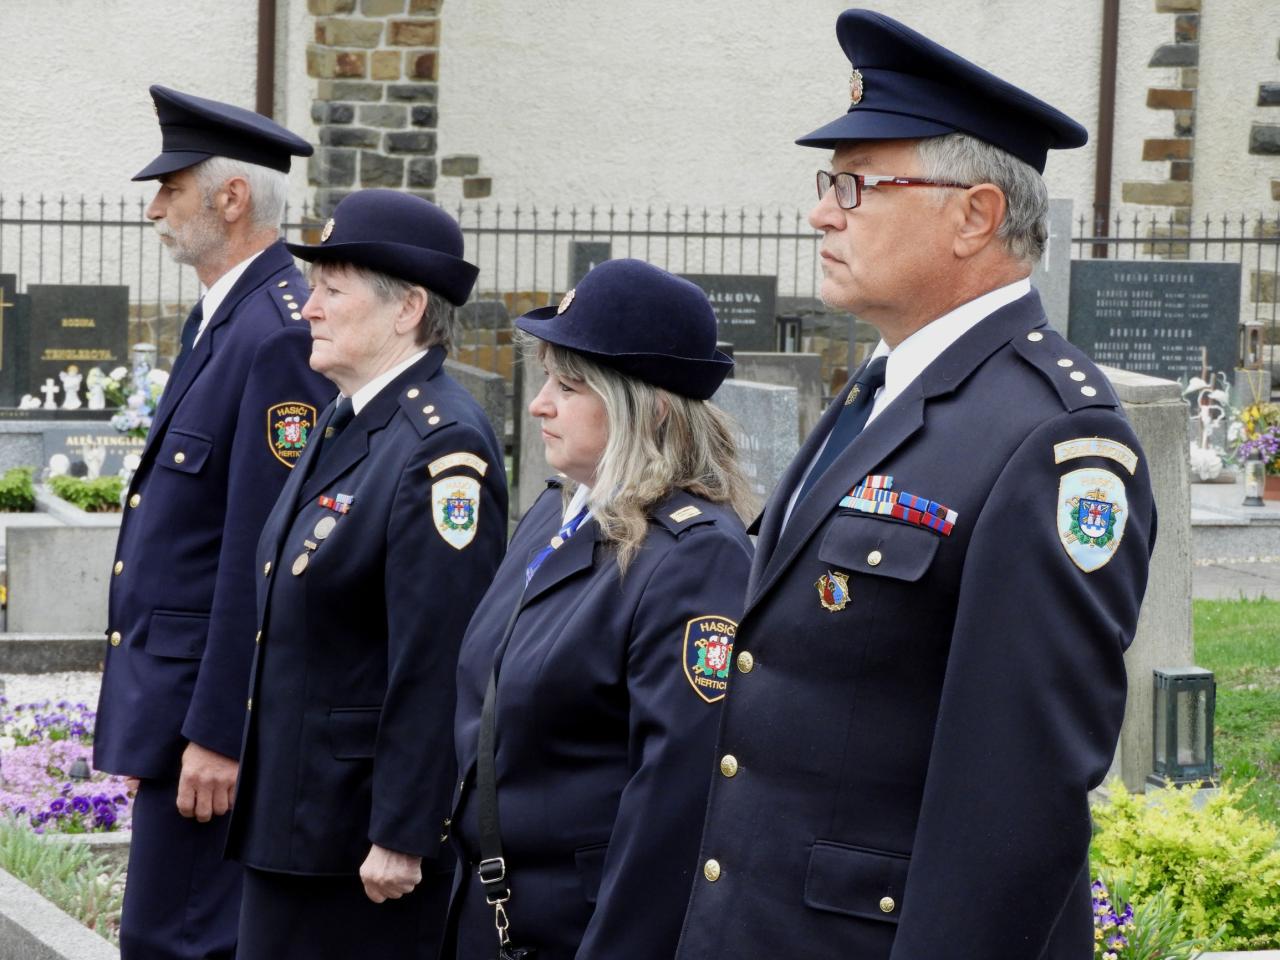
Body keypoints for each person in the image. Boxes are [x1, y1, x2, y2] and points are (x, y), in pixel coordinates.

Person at [677, 11, 1157, 960]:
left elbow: (1015, 799)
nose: (823, 213)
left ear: (974, 216)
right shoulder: (885, 388)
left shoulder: (1053, 437)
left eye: (857, 185)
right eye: (829, 184)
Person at [224, 188, 508, 960]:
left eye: (331, 289)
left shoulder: (441, 446)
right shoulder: (348, 416)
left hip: (361, 844)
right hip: (297, 817)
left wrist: (405, 830)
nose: (308, 308)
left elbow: (439, 654)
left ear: (407, 307)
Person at [445, 258, 755, 960]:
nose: (539, 404)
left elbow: (674, 801)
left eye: (569, 385)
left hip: (581, 931)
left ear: (650, 408)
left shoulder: (696, 556)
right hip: (491, 915)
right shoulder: (555, 516)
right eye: (546, 379)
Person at [93, 85, 331, 960]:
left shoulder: (275, 334)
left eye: (171, 187)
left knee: (179, 941)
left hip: (207, 725)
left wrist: (220, 732)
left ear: (231, 198)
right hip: (174, 708)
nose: (154, 207)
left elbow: (259, 557)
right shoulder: (222, 318)